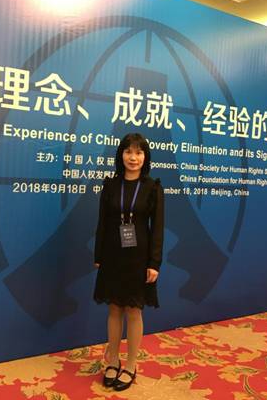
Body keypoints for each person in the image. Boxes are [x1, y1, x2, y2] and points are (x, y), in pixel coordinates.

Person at [93, 132, 164, 391]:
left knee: (134, 311)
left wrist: (154, 263)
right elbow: (102, 222)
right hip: (112, 254)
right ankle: (113, 360)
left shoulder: (153, 187)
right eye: (128, 151)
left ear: (145, 157)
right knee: (114, 308)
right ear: (121, 154)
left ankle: (131, 365)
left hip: (138, 258)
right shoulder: (111, 185)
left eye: (138, 152)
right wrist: (98, 256)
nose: (133, 157)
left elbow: (157, 228)